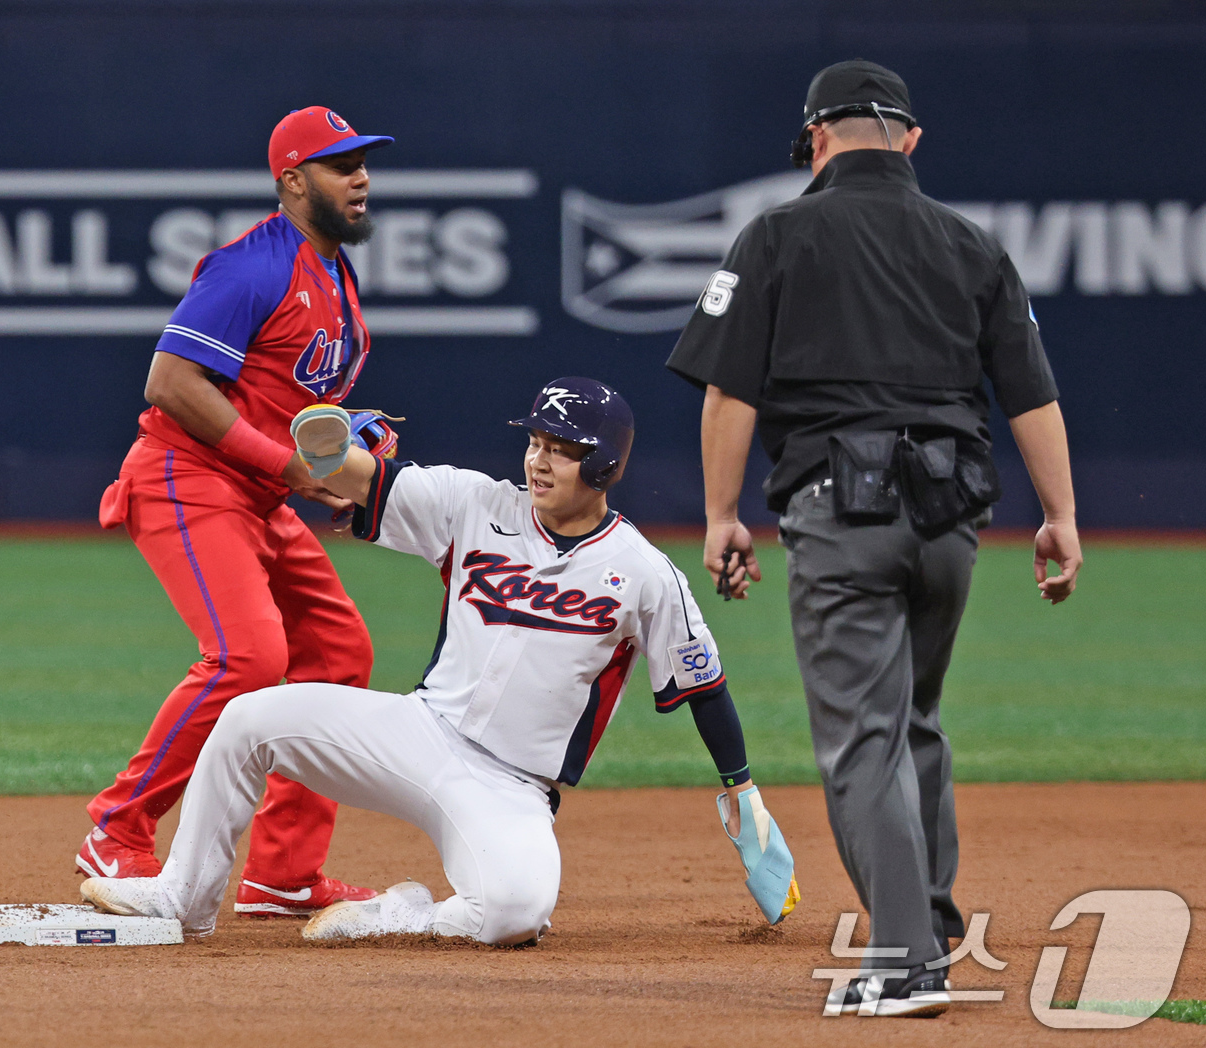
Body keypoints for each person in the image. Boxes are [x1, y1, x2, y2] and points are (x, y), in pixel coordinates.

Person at [78, 378, 800, 944]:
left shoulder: (643, 572)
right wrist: (329, 445)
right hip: (417, 733)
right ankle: (185, 896)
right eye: (536, 441)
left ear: (606, 463)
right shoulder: (475, 504)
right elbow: (365, 479)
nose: (539, 458)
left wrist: (743, 795)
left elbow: (703, 685)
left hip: (512, 787)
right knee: (248, 720)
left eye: (562, 446)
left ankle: (403, 916)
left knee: (516, 914)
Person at [667, 60, 1082, 1017]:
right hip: (952, 520)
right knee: (912, 719)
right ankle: (929, 917)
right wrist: (1059, 516)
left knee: (862, 739)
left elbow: (731, 391)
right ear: (909, 140)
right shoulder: (971, 243)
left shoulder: (774, 235)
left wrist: (722, 514)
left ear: (814, 140)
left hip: (839, 511)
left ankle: (903, 965)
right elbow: (1033, 394)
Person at [76, 106, 399, 918]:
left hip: (253, 494)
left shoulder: (333, 273)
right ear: (292, 182)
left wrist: (347, 442)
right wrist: (291, 465)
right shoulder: (250, 266)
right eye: (338, 164)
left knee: (338, 648)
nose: (359, 177)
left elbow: (290, 401)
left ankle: (282, 874)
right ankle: (116, 829)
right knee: (247, 657)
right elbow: (171, 385)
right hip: (187, 477)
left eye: (362, 162)